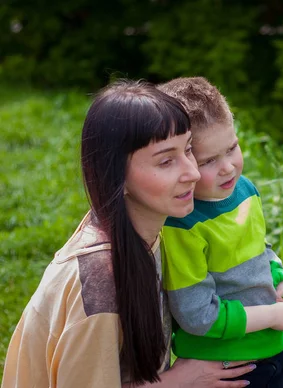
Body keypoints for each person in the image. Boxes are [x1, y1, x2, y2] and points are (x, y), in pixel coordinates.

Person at [1, 80, 256, 388]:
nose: (193, 172)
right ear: (117, 178)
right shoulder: (99, 279)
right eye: (166, 161)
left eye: (188, 150)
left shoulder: (150, 231)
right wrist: (180, 379)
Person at [157, 77, 283, 387]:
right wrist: (272, 316)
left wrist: (280, 284)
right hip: (225, 369)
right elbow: (198, 315)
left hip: (275, 349)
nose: (228, 167)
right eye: (209, 160)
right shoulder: (182, 224)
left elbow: (260, 250)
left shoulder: (245, 191)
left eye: (232, 148)